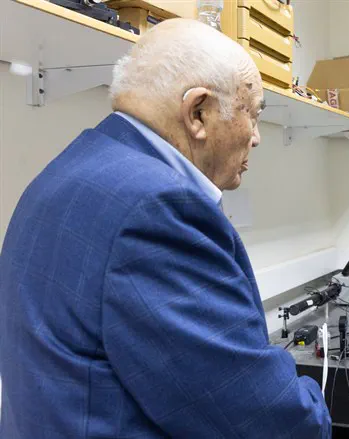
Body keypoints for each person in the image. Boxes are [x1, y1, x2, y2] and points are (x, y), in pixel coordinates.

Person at [0, 19, 330, 438]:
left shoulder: (62, 173)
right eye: (253, 114)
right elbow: (269, 423)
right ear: (198, 113)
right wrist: (312, 402)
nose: (256, 137)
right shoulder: (158, 210)